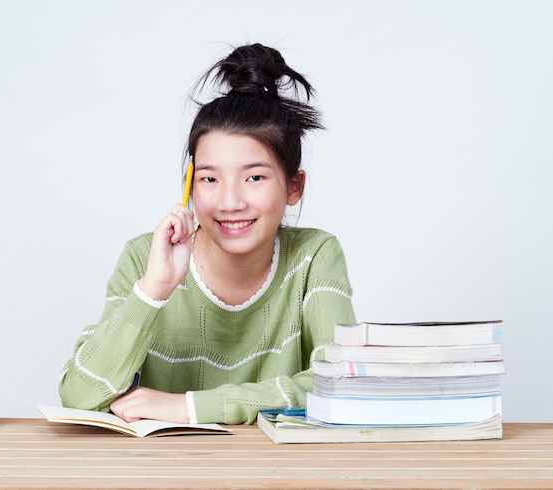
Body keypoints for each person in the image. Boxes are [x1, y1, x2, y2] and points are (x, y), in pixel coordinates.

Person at [59, 43, 356, 425]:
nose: (230, 202)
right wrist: (153, 290)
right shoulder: (144, 258)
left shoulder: (315, 256)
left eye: (254, 177)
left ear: (293, 187)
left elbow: (341, 382)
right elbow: (79, 397)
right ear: (188, 188)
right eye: (210, 179)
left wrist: (191, 407)